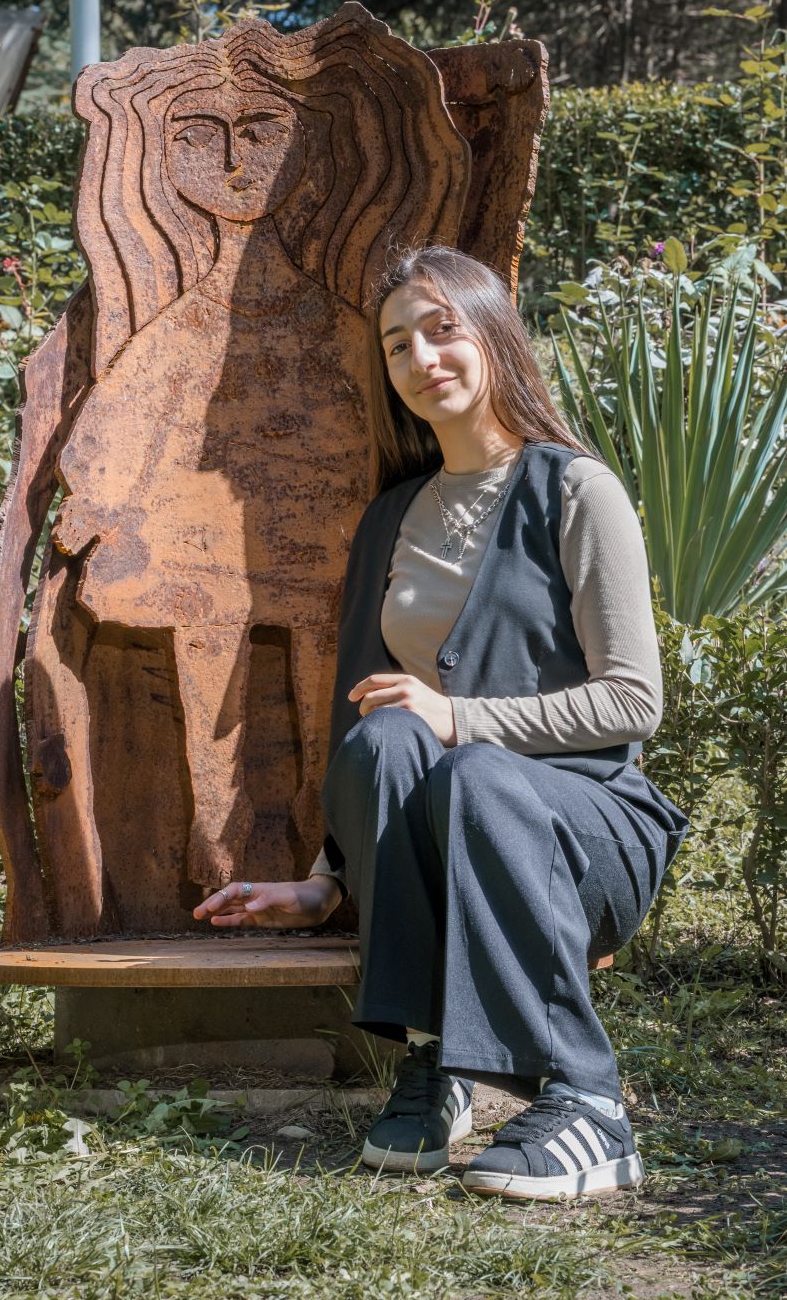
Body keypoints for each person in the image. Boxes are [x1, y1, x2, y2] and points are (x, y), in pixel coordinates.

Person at [193, 245, 688, 1201]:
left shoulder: (574, 491)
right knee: (379, 735)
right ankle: (441, 1064)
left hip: (584, 828)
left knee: (470, 770)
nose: (421, 358)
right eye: (396, 346)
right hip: (449, 834)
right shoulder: (390, 518)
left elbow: (633, 704)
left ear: (493, 332)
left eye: (441, 329)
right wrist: (325, 882)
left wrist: (460, 716)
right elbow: (387, 737)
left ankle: (589, 1104)